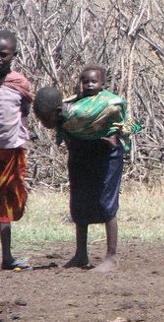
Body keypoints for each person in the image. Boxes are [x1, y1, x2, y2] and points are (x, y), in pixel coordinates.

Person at [33, 67, 142, 272]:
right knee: (79, 202)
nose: (43, 124)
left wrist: (115, 135)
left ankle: (111, 257)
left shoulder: (92, 109)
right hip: (82, 157)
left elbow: (133, 124)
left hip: (107, 156)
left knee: (106, 203)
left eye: (44, 119)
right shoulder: (68, 109)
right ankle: (81, 254)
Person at [0, 30, 33, 272]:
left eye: (3, 55)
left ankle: (7, 257)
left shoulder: (18, 83)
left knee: (7, 204)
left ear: (13, 56)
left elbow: (25, 112)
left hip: (10, 151)